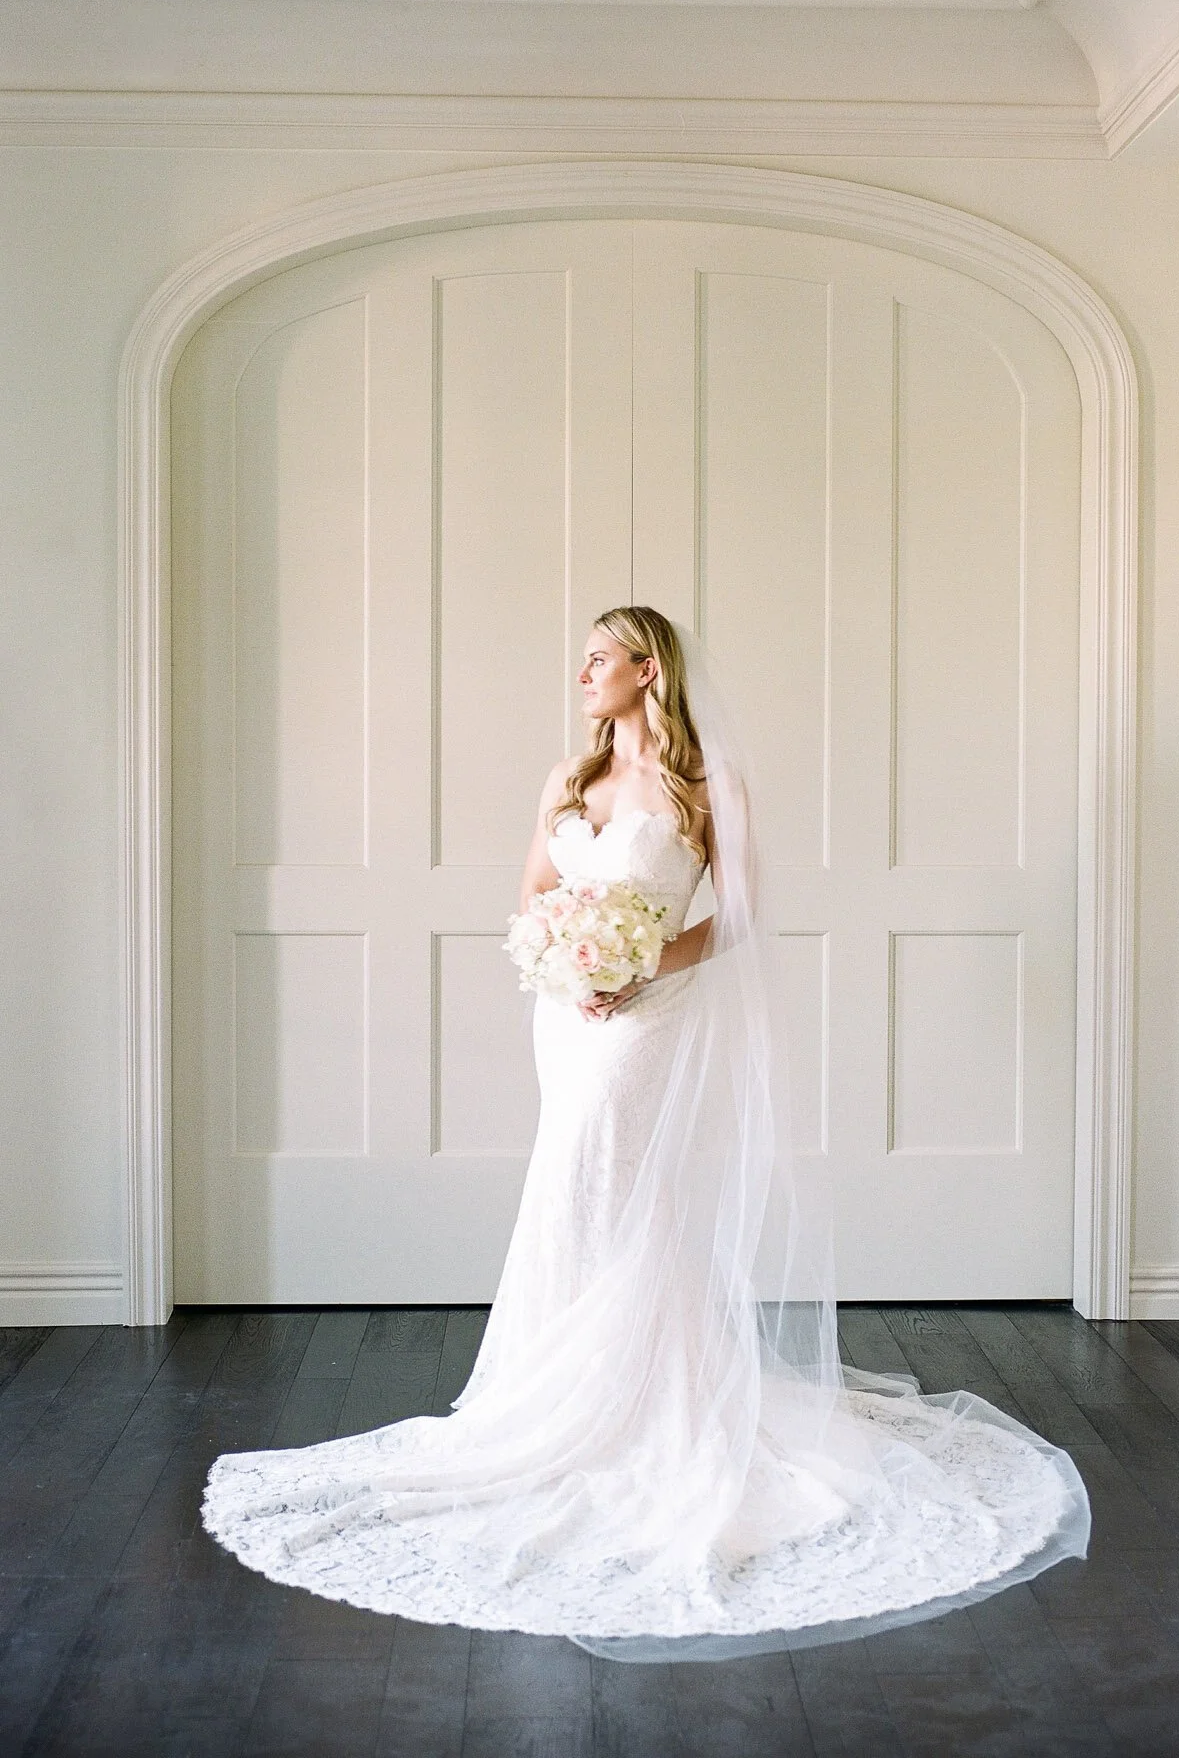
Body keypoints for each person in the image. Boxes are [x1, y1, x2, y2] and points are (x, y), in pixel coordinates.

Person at [203, 604, 1089, 1663]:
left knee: (612, 1182)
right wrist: (562, 957)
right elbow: (530, 894)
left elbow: (741, 915)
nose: (581, 672)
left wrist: (637, 965)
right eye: (579, 657)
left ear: (647, 669)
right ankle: (565, 1391)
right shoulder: (566, 783)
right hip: (566, 1015)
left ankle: (639, 1406)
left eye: (598, 657)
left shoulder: (705, 789)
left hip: (645, 1017)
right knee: (578, 1187)